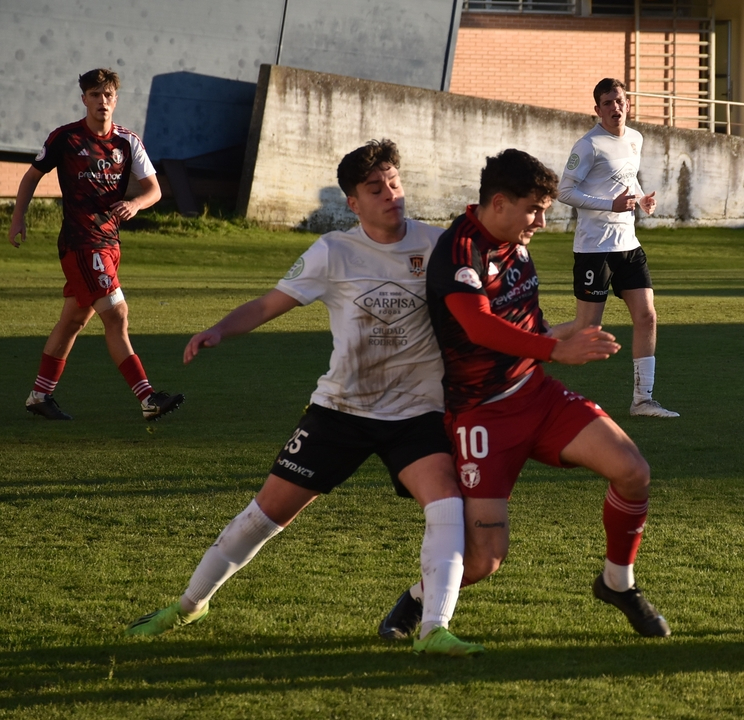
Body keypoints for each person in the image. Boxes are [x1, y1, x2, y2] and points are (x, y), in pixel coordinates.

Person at [125, 140, 482, 657]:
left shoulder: (438, 244)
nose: (391, 194)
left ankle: (433, 630)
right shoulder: (332, 251)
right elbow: (270, 303)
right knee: (265, 514)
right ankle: (187, 606)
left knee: (446, 503)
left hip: (417, 413)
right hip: (340, 411)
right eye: (375, 189)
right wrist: (219, 329)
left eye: (394, 183)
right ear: (353, 203)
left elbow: (479, 303)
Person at [379, 149, 671, 639]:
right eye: (534, 210)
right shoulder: (460, 251)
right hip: (482, 416)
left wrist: (565, 335)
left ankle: (617, 582)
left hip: (537, 395)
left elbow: (526, 325)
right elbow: (477, 326)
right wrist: (558, 350)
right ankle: (415, 599)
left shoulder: (515, 243)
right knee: (484, 561)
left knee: (632, 471)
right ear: (499, 203)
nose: (541, 221)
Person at [7, 68, 182, 422]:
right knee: (117, 315)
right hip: (82, 243)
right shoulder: (66, 138)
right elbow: (31, 176)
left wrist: (136, 204)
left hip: (109, 241)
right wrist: (18, 217)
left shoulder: (127, 142)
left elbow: (154, 190)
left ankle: (40, 395)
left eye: (108, 95)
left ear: (116, 100)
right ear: (84, 99)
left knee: (74, 319)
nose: (102, 101)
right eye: (95, 95)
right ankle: (147, 398)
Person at [556, 77, 678, 418]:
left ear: (628, 104)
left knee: (647, 316)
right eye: (608, 103)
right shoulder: (588, 146)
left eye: (620, 101)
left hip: (628, 244)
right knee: (586, 329)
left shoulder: (636, 138)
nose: (616, 107)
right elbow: (564, 192)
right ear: (597, 109)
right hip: (595, 248)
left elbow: (627, 178)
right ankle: (527, 341)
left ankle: (642, 400)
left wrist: (641, 199)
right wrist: (609, 205)